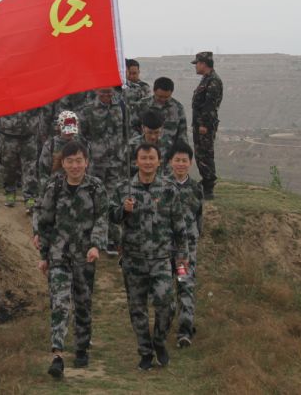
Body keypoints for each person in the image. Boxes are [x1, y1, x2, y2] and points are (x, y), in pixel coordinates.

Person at [34, 140, 108, 378]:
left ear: (86, 162)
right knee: (60, 303)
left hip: (85, 256)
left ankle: (82, 347)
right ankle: (57, 355)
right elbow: (45, 221)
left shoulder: (96, 187)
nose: (75, 166)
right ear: (63, 164)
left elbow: (102, 217)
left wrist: (96, 245)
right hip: (59, 255)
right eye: (70, 161)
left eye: (79, 161)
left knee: (83, 303)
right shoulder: (54, 186)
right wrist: (44, 255)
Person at [112, 143, 189, 371]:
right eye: (143, 158)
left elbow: (179, 225)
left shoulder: (168, 189)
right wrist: (123, 210)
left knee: (167, 304)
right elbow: (110, 217)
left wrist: (182, 255)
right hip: (133, 259)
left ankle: (159, 340)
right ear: (136, 161)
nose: (147, 162)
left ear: (159, 161)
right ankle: (145, 351)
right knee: (137, 308)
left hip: (161, 258)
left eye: (151, 158)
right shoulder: (124, 188)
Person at [167, 140, 204, 348]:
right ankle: (164, 325)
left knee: (185, 284)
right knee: (165, 289)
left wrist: (194, 239)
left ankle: (185, 330)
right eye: (177, 160)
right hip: (165, 248)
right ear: (170, 162)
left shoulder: (196, 188)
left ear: (190, 163)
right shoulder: (162, 186)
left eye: (184, 160)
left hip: (185, 251)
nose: (180, 164)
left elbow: (199, 218)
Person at [81, 87, 127, 253]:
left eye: (110, 92)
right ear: (97, 92)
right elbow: (82, 136)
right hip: (96, 163)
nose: (107, 96)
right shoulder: (88, 110)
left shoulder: (121, 107)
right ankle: (92, 237)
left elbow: (125, 132)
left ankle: (111, 238)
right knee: (94, 198)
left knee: (112, 199)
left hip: (116, 162)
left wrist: (123, 151)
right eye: (103, 92)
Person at [191, 51, 223, 199]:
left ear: (203, 64)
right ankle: (205, 182)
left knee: (205, 154)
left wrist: (204, 124)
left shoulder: (213, 81)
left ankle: (208, 186)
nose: (196, 66)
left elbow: (210, 105)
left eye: (197, 63)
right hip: (199, 124)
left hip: (205, 125)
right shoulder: (206, 79)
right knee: (200, 154)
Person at [0, 107, 41, 209]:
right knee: (8, 168)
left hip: (28, 135)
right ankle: (10, 193)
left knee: (30, 169)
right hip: (8, 134)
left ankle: (30, 199)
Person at [135, 77, 188, 145]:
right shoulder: (141, 105)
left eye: (166, 97)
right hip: (145, 148)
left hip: (169, 148)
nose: (163, 99)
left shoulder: (178, 108)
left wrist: (183, 148)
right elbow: (132, 127)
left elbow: (182, 133)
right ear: (154, 91)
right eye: (160, 96)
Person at [127, 109, 169, 177]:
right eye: (149, 132)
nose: (153, 137)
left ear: (162, 129)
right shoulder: (132, 146)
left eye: (156, 132)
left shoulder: (167, 145)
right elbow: (124, 172)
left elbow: (169, 171)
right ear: (143, 128)